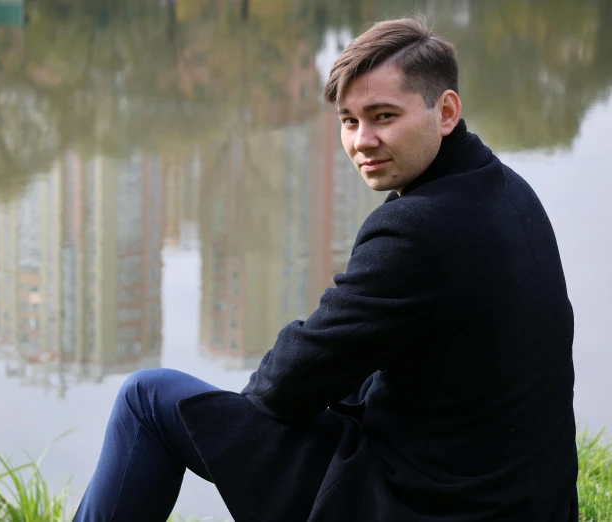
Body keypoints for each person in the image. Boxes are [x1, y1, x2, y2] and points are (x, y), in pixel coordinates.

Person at [72, 16, 577, 522]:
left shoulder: (413, 230)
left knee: (147, 398)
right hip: (518, 496)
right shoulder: (510, 191)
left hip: (430, 504)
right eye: (349, 120)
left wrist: (243, 428)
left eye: (383, 116)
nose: (362, 141)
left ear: (445, 112)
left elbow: (288, 382)